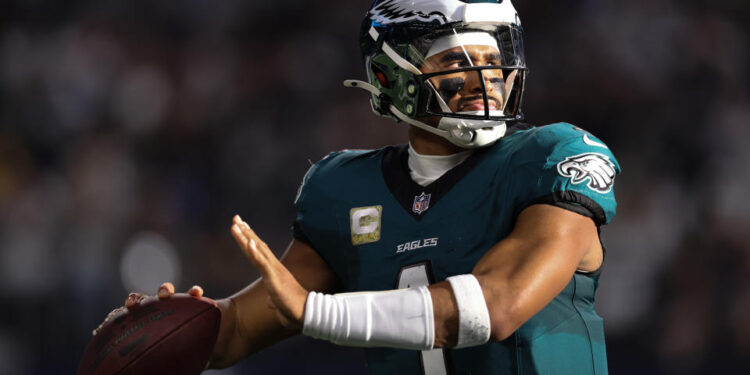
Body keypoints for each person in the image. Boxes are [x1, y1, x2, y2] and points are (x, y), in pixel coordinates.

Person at [98, 1, 620, 374]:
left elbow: (496, 306)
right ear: (393, 79)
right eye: (458, 62)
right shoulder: (344, 188)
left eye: (489, 62)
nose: (484, 79)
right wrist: (175, 329)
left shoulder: (552, 157)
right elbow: (243, 328)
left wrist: (317, 313)